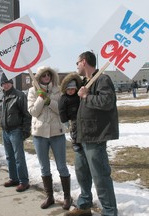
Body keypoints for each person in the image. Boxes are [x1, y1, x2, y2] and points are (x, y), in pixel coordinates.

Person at [65, 51, 119, 216]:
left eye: (77, 63)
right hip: (82, 136)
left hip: (96, 136)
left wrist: (87, 96)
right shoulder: (85, 82)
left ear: (83, 61)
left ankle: (110, 212)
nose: (76, 67)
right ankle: (84, 205)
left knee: (100, 176)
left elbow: (107, 102)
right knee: (82, 173)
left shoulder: (102, 79)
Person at [27, 66, 72, 210]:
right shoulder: (32, 91)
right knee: (44, 167)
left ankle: (67, 196)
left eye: (49, 75)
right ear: (39, 77)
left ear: (52, 76)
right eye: (43, 75)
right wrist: (41, 98)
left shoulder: (58, 91)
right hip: (39, 135)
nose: (46, 77)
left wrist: (49, 101)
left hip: (57, 133)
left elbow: (61, 111)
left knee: (61, 166)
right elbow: (33, 112)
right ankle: (49, 196)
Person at [0, 73, 32, 192]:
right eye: (3, 83)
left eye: (7, 83)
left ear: (12, 83)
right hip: (5, 131)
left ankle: (24, 181)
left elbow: (27, 114)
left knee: (18, 157)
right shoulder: (3, 98)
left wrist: (25, 131)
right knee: (9, 156)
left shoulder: (19, 96)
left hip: (16, 130)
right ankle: (13, 178)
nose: (5, 85)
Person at [58, 73, 82, 152]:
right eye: (69, 89)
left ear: (75, 89)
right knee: (74, 129)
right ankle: (75, 142)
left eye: (72, 89)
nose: (71, 91)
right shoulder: (64, 98)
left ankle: (81, 140)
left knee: (81, 128)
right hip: (72, 117)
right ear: (65, 89)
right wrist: (64, 121)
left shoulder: (78, 96)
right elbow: (61, 110)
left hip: (80, 116)